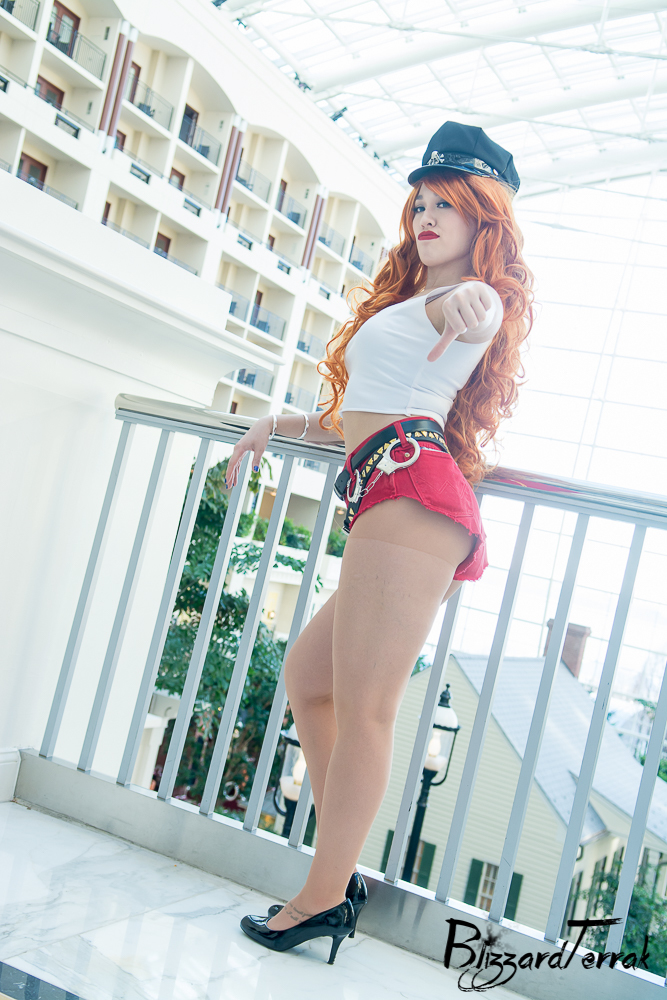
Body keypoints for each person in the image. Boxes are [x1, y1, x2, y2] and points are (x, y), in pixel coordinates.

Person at [227, 122, 534, 965]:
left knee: (365, 707)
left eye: (448, 205)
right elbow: (368, 406)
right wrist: (279, 423)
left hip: (410, 492)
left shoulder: (472, 296)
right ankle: (337, 876)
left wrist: (465, 301)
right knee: (309, 680)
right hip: (386, 482)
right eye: (421, 203)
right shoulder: (410, 299)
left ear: (483, 219)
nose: (427, 216)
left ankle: (322, 896)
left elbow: (471, 311)